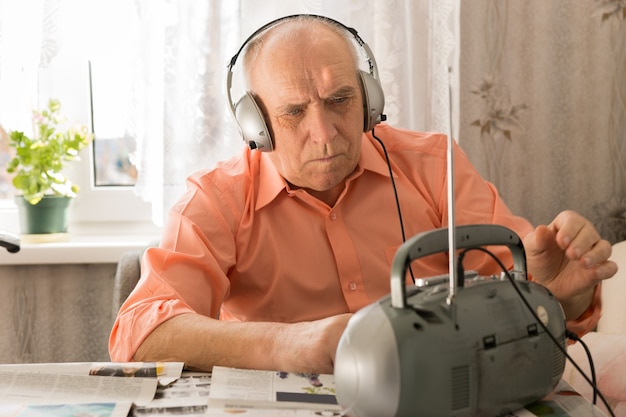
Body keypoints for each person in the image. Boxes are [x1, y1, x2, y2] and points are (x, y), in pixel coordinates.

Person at [109, 15, 617, 375]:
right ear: (256, 125)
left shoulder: (432, 164)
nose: (326, 133)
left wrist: (555, 292)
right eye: (294, 113)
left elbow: (526, 305)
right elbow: (138, 334)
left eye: (340, 100)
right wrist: (295, 344)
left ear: (369, 99)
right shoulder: (217, 198)